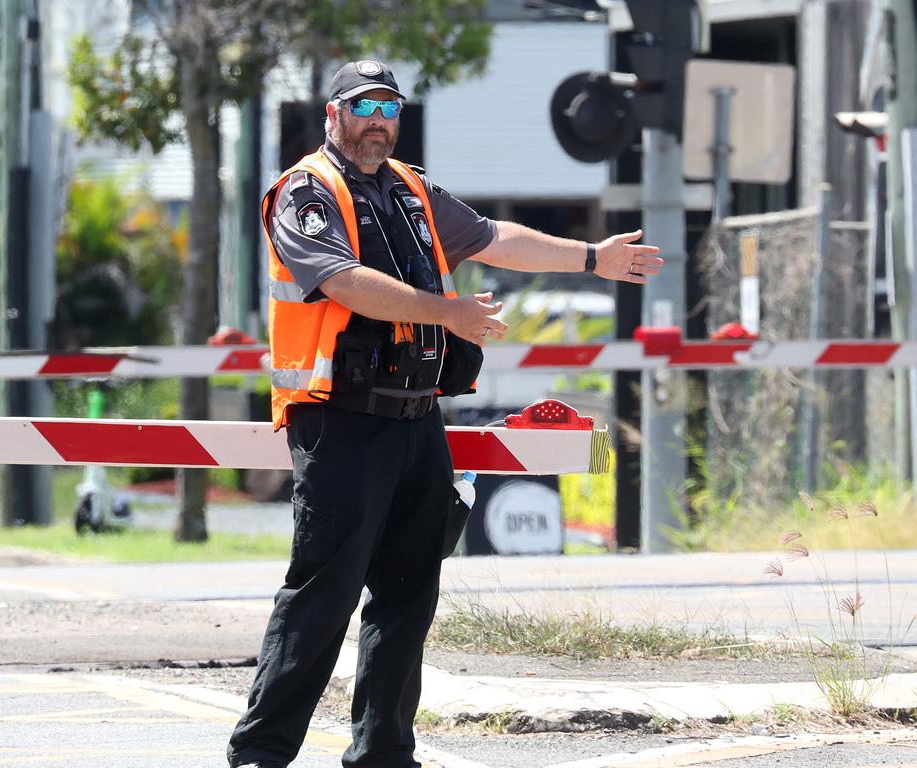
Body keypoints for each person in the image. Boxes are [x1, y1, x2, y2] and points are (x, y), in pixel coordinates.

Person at [227, 59, 663, 768]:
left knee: (407, 594)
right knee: (323, 595)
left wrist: (591, 257)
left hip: (416, 419)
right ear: (333, 113)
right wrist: (447, 313)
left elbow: (496, 238)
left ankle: (384, 753)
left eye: (389, 109)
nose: (378, 121)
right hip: (340, 421)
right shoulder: (307, 190)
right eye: (363, 107)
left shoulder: (410, 189)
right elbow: (344, 282)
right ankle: (260, 754)